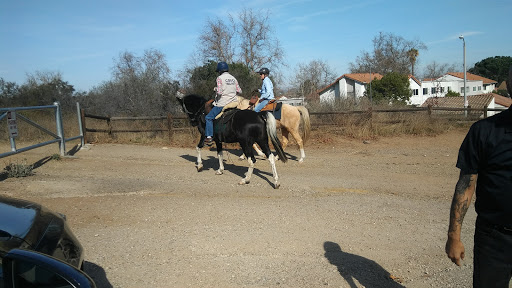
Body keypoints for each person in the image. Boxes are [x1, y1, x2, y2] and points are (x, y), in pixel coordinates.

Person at [445, 65, 512, 288]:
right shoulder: (483, 131)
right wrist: (454, 236)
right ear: (509, 87)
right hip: (494, 238)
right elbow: (466, 185)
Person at [204, 62, 242, 146]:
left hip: (222, 103)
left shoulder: (220, 78)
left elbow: (220, 92)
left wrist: (215, 89)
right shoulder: (233, 78)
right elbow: (239, 91)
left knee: (208, 118)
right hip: (233, 103)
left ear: (219, 71)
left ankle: (209, 137)